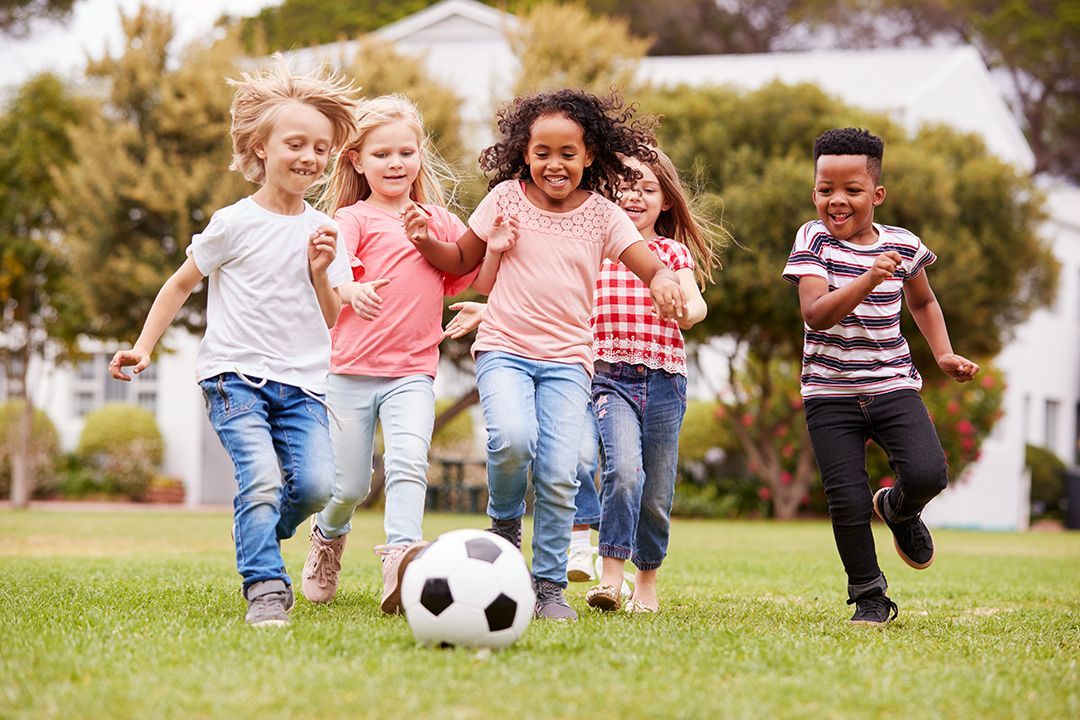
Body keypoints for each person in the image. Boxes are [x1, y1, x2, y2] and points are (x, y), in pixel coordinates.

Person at [412, 88, 686, 621]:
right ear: (524, 154)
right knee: (513, 440)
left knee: (561, 472)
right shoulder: (505, 200)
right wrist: (425, 242)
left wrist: (664, 280)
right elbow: (463, 259)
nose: (554, 164)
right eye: (542, 153)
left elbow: (644, 260)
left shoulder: (604, 215)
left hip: (568, 361)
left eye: (568, 153)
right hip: (504, 349)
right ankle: (506, 524)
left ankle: (548, 586)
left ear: (590, 156)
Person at [108, 57, 359, 627]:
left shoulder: (325, 231)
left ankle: (256, 530)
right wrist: (144, 346)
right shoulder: (233, 223)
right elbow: (179, 284)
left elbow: (332, 318)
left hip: (304, 386)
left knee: (317, 485)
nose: (310, 157)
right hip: (234, 378)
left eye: (321, 148)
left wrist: (321, 271)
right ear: (261, 149)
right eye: (296, 143)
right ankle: (266, 586)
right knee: (263, 479)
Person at [782, 127, 979, 626]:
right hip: (829, 393)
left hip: (892, 384)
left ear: (877, 194)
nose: (837, 200)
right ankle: (869, 596)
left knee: (928, 473)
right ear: (814, 192)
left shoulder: (904, 244)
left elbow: (924, 300)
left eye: (852, 189)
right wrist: (869, 277)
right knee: (846, 500)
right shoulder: (812, 239)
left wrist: (944, 353)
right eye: (825, 189)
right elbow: (816, 314)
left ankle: (898, 508)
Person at [300, 95, 484, 614]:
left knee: (408, 462)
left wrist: (499, 240)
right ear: (358, 160)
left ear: (420, 156)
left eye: (406, 152)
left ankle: (401, 559)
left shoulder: (439, 222)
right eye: (382, 154)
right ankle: (327, 538)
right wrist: (349, 289)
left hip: (411, 373)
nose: (396, 163)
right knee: (350, 484)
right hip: (349, 372)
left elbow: (465, 271)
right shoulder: (353, 218)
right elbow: (335, 263)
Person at [583, 149, 720, 614]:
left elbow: (695, 301)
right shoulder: (594, 245)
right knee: (623, 472)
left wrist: (687, 309)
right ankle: (610, 577)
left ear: (665, 202)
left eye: (648, 188)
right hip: (609, 378)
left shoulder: (669, 252)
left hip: (665, 381)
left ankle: (646, 583)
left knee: (657, 493)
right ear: (607, 190)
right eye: (626, 185)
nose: (635, 195)